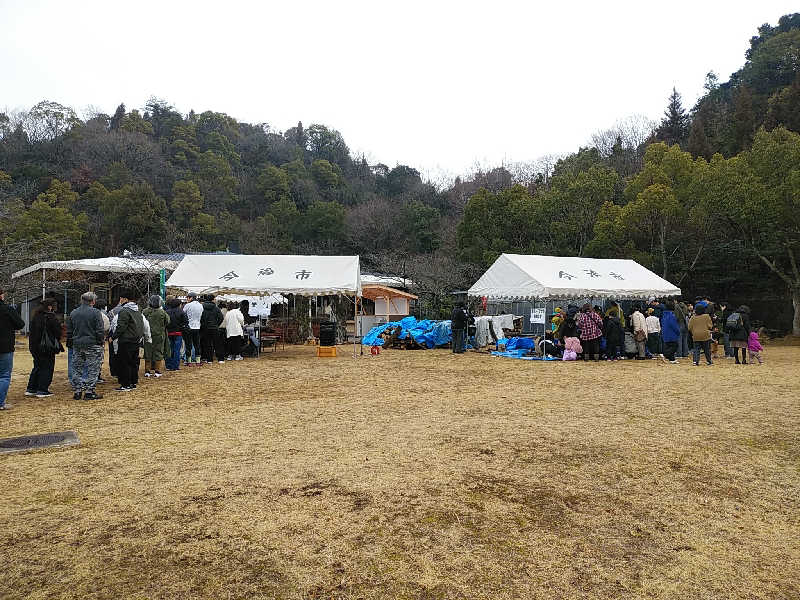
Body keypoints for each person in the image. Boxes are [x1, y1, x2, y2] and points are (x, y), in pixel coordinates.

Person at [67, 291, 105, 400]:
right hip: (92, 344)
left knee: (77, 368)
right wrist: (100, 341)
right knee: (93, 368)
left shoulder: (73, 313)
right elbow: (99, 329)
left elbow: (69, 330)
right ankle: (89, 391)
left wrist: (71, 341)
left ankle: (77, 391)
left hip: (77, 344)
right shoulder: (96, 313)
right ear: (93, 301)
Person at [26, 297, 62, 398]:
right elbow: (58, 332)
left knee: (37, 366)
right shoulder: (51, 317)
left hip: (34, 346)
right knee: (47, 367)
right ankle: (42, 389)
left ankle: (31, 388)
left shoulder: (35, 316)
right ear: (50, 307)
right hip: (47, 347)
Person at [111, 289, 144, 391]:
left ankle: (125, 384)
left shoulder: (124, 311)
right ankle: (133, 382)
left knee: (124, 363)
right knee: (133, 362)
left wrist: (113, 337)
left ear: (124, 299)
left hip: (126, 340)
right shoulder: (137, 310)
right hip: (136, 340)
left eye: (121, 298)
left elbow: (121, 327)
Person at [0, 288, 26, 410]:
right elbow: (20, 324)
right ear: (1, 296)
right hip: (5, 346)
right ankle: (0, 402)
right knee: (4, 375)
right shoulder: (8, 309)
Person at [143, 295, 170, 377]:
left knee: (148, 352)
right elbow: (168, 321)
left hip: (147, 335)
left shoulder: (145, 311)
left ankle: (147, 371)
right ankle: (157, 371)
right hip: (159, 335)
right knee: (158, 352)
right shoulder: (162, 312)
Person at [165, 298, 188, 371]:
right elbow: (185, 322)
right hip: (178, 333)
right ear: (179, 304)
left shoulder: (167, 312)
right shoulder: (181, 312)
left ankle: (168, 365)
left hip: (169, 333)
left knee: (169, 349)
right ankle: (175, 366)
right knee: (177, 350)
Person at [200, 294, 224, 363]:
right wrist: (217, 324)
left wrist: (203, 324)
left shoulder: (202, 307)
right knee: (217, 343)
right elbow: (221, 318)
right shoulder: (216, 308)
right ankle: (220, 359)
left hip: (205, 328)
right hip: (214, 327)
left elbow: (200, 317)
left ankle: (209, 359)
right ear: (213, 299)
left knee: (207, 344)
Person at [183, 293, 203, 366]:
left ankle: (189, 361)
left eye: (187, 298)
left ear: (191, 298)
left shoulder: (187, 305)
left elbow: (183, 314)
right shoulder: (200, 305)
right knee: (197, 345)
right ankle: (198, 361)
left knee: (188, 345)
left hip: (189, 327)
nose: (187, 299)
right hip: (197, 327)